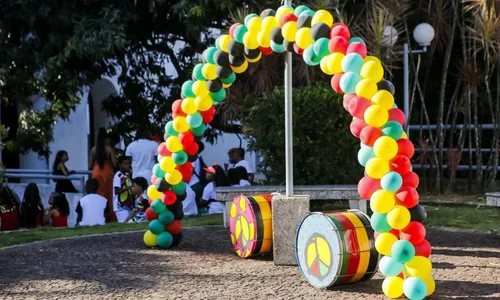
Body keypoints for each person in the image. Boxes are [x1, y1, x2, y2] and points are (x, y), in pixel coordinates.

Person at [89, 127, 117, 223]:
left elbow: (90, 165)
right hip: (108, 173)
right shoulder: (110, 149)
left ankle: (99, 216)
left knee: (98, 196)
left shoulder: (93, 150)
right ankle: (110, 217)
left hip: (96, 173)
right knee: (109, 195)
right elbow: (114, 164)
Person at [113, 156, 135, 223]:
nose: (128, 166)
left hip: (127, 205)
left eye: (129, 164)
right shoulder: (118, 176)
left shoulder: (126, 175)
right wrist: (129, 188)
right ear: (120, 165)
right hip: (120, 206)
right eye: (125, 164)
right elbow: (116, 191)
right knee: (124, 223)